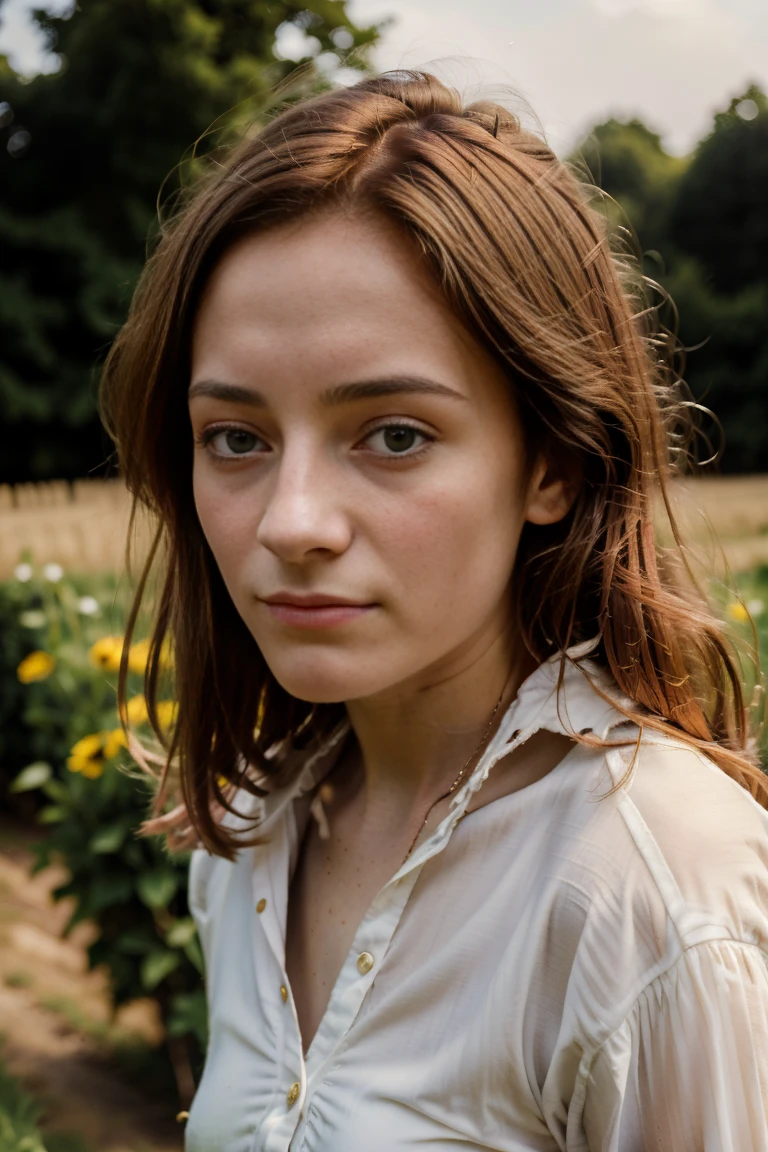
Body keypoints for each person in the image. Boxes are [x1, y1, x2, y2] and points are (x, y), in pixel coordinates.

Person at [99, 69, 768, 1150]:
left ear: (552, 462)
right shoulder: (251, 841)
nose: (292, 521)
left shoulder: (646, 893)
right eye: (237, 438)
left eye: (394, 434)